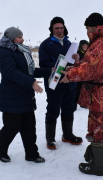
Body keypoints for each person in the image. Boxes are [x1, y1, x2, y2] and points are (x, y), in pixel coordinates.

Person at [60, 13, 103, 176]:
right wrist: (74, 67)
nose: (87, 31)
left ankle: (97, 166)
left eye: (88, 28)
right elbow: (93, 64)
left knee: (98, 128)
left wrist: (71, 75)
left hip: (102, 95)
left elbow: (94, 69)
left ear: (95, 27)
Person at [0, 27, 52, 163]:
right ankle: (0, 150)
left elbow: (30, 71)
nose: (23, 39)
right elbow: (11, 72)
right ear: (12, 39)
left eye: (22, 36)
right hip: (11, 97)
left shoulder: (22, 51)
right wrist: (31, 82)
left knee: (29, 128)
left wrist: (49, 70)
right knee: (11, 127)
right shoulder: (5, 52)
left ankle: (32, 154)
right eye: (19, 37)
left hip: (25, 96)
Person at [39, 17, 83, 150]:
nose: (59, 30)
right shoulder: (46, 44)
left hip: (70, 82)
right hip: (55, 83)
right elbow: (43, 64)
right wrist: (59, 67)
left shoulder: (70, 44)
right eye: (56, 28)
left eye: (61, 28)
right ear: (52, 29)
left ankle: (67, 135)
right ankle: (50, 139)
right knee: (53, 109)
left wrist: (77, 59)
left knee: (69, 109)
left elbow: (76, 64)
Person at [75, 40, 89, 110]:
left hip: (87, 74)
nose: (85, 46)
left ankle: (85, 103)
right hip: (79, 74)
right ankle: (74, 104)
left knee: (86, 89)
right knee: (77, 89)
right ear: (81, 46)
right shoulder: (78, 53)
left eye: (86, 45)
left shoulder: (89, 53)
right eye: (83, 45)